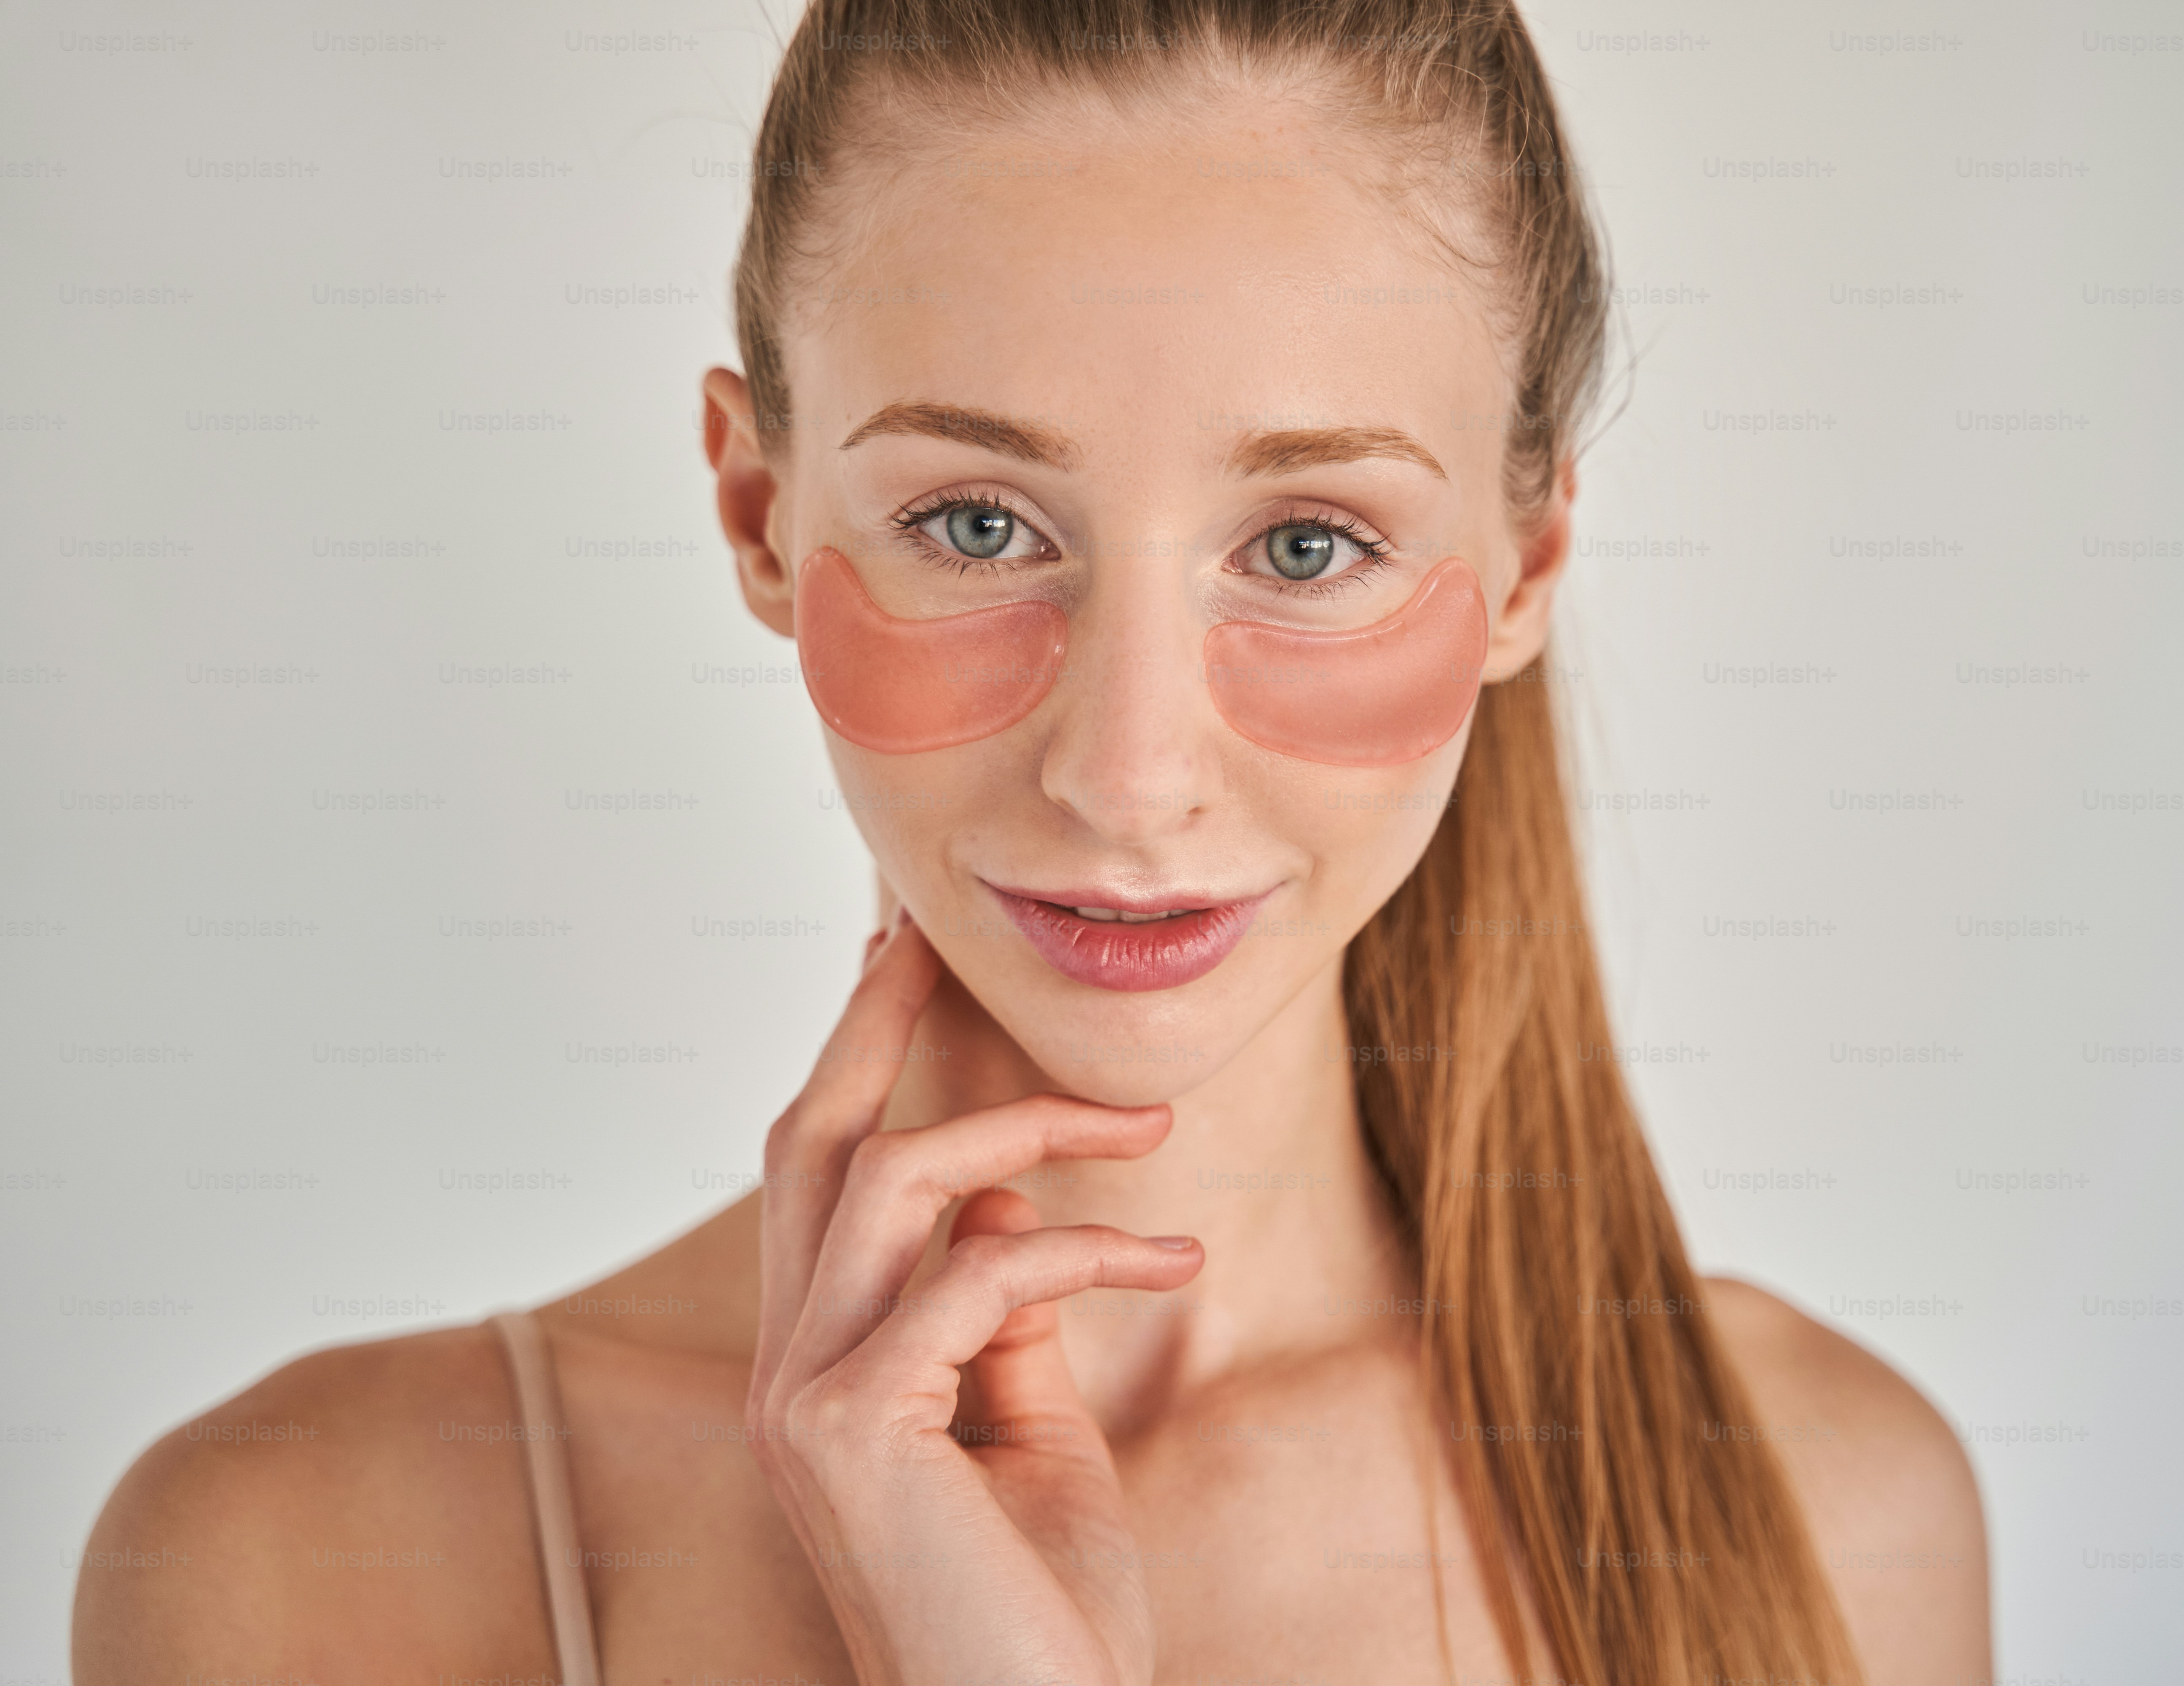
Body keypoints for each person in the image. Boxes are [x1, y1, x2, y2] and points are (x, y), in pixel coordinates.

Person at [74, 3, 1989, 1681]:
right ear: (757, 510)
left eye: (1308, 546)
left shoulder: (1835, 1509)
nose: (1130, 771)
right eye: (981, 526)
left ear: (1526, 572)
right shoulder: (296, 1562)